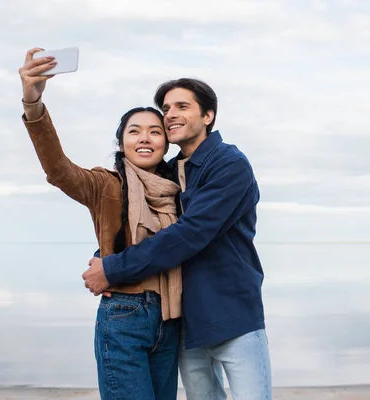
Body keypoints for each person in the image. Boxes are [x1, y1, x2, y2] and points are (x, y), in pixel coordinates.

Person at [82, 78, 272, 399]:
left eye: (182, 106)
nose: (170, 114)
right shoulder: (170, 172)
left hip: (234, 317)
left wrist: (113, 268)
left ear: (208, 116)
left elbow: (189, 234)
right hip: (186, 324)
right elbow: (141, 219)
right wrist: (107, 253)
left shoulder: (229, 164)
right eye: (166, 108)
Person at [19, 48, 182, 400]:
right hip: (124, 316)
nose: (144, 138)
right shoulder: (106, 185)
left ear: (167, 143)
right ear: (121, 143)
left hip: (171, 321)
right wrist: (33, 104)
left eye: (155, 132)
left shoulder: (178, 191)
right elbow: (58, 169)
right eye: (134, 131)